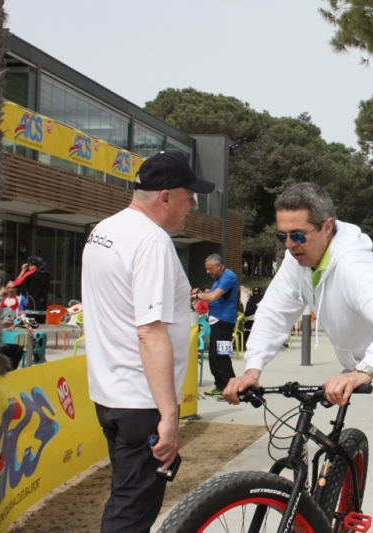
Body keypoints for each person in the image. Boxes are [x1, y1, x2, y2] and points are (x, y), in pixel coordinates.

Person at [222, 183, 373, 533]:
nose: (289, 245)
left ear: (327, 226)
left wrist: (364, 370)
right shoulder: (297, 260)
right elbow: (274, 313)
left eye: (298, 235)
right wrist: (252, 369)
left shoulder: (355, 266)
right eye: (282, 236)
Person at [82, 151, 215, 533]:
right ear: (166, 197)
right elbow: (150, 332)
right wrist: (170, 415)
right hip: (141, 400)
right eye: (190, 197)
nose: (193, 205)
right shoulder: (152, 241)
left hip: (110, 393)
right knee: (132, 513)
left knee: (124, 500)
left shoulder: (104, 230)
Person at [192, 254, 239, 399]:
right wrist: (200, 294)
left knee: (221, 355)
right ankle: (220, 385)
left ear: (219, 266)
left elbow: (212, 297)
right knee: (213, 356)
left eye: (210, 269)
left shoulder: (228, 276)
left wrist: (198, 295)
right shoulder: (218, 278)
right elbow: (210, 296)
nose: (208, 272)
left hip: (224, 320)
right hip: (215, 319)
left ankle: (231, 388)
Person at [13, 255, 50, 324]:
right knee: (41, 329)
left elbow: (16, 284)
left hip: (32, 309)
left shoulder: (30, 274)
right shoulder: (47, 274)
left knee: (31, 329)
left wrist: (22, 271)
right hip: (43, 309)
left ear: (30, 265)